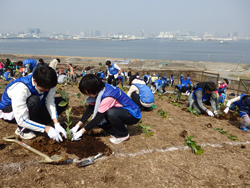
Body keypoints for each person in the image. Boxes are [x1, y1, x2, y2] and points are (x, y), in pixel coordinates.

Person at [0, 66, 68, 141]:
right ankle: (22, 129)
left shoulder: (49, 82)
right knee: (34, 100)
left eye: (49, 88)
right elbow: (21, 119)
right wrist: (46, 128)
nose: (47, 90)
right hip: (10, 112)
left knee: (61, 102)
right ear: (35, 81)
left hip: (31, 108)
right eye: (44, 88)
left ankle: (34, 124)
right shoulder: (21, 88)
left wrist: (56, 123)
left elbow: (50, 102)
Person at [70, 74, 141, 144]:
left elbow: (98, 118)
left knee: (110, 113)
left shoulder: (107, 96)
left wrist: (81, 132)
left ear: (93, 89)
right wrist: (77, 126)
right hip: (122, 111)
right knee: (103, 119)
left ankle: (123, 135)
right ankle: (119, 127)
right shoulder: (100, 88)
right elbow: (90, 108)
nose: (87, 95)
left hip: (133, 114)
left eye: (88, 93)